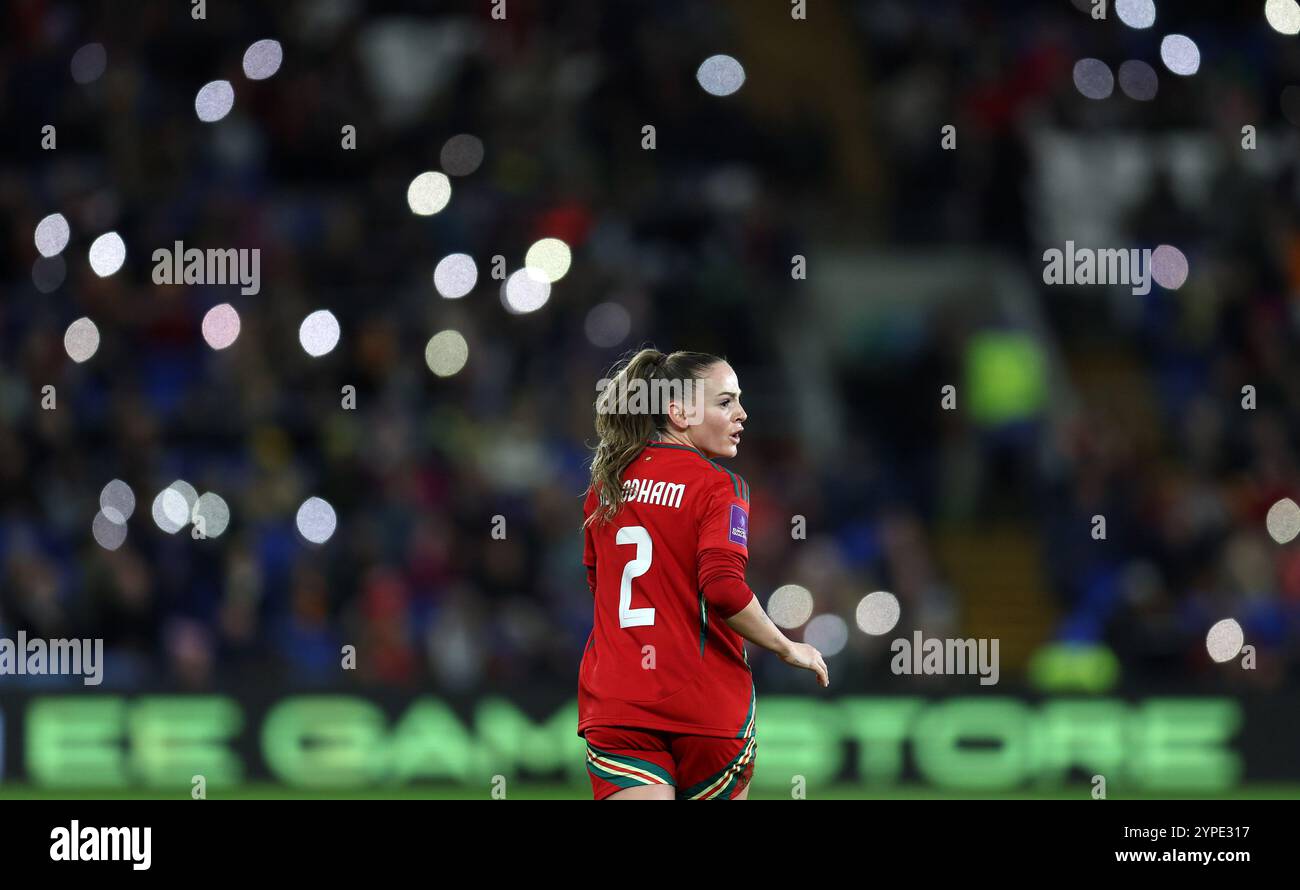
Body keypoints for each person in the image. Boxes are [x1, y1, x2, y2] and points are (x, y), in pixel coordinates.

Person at [577, 347, 829, 800]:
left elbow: (599, 587)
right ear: (679, 412)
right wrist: (786, 646)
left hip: (621, 704)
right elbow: (724, 588)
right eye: (725, 402)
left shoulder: (606, 486)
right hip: (705, 706)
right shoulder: (719, 485)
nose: (742, 414)